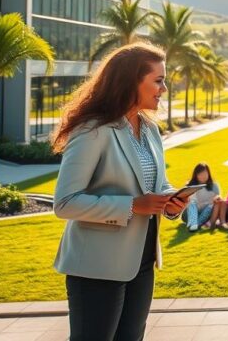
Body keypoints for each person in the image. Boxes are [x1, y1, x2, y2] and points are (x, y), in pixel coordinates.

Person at [51, 43, 192, 340]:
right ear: (131, 81)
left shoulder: (150, 128)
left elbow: (155, 184)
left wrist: (171, 200)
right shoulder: (92, 130)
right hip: (97, 267)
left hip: (142, 262)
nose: (164, 88)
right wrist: (132, 206)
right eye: (158, 80)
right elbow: (64, 203)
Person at [184, 162, 222, 232]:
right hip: (190, 212)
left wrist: (217, 198)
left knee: (211, 206)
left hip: (206, 212)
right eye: (200, 174)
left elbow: (219, 198)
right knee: (191, 202)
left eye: (205, 173)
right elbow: (187, 201)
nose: (203, 176)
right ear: (196, 175)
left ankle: (195, 225)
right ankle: (194, 223)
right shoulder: (190, 185)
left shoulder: (214, 185)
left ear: (208, 174)